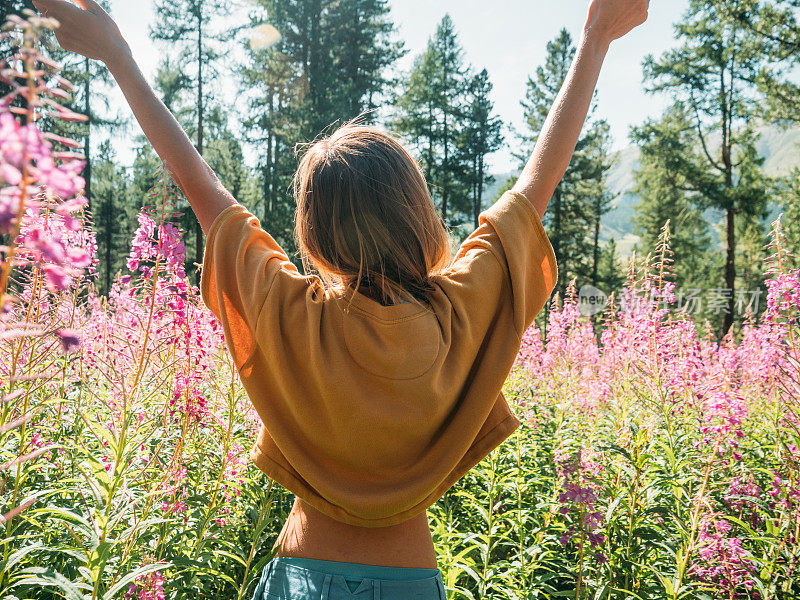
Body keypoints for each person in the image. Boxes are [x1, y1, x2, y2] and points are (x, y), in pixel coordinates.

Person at [31, 0, 649, 598]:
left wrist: (116, 55)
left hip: (303, 577)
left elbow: (200, 184)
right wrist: (593, 40)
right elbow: (538, 180)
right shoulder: (461, 312)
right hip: (413, 580)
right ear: (418, 214)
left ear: (315, 238)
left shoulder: (290, 312)